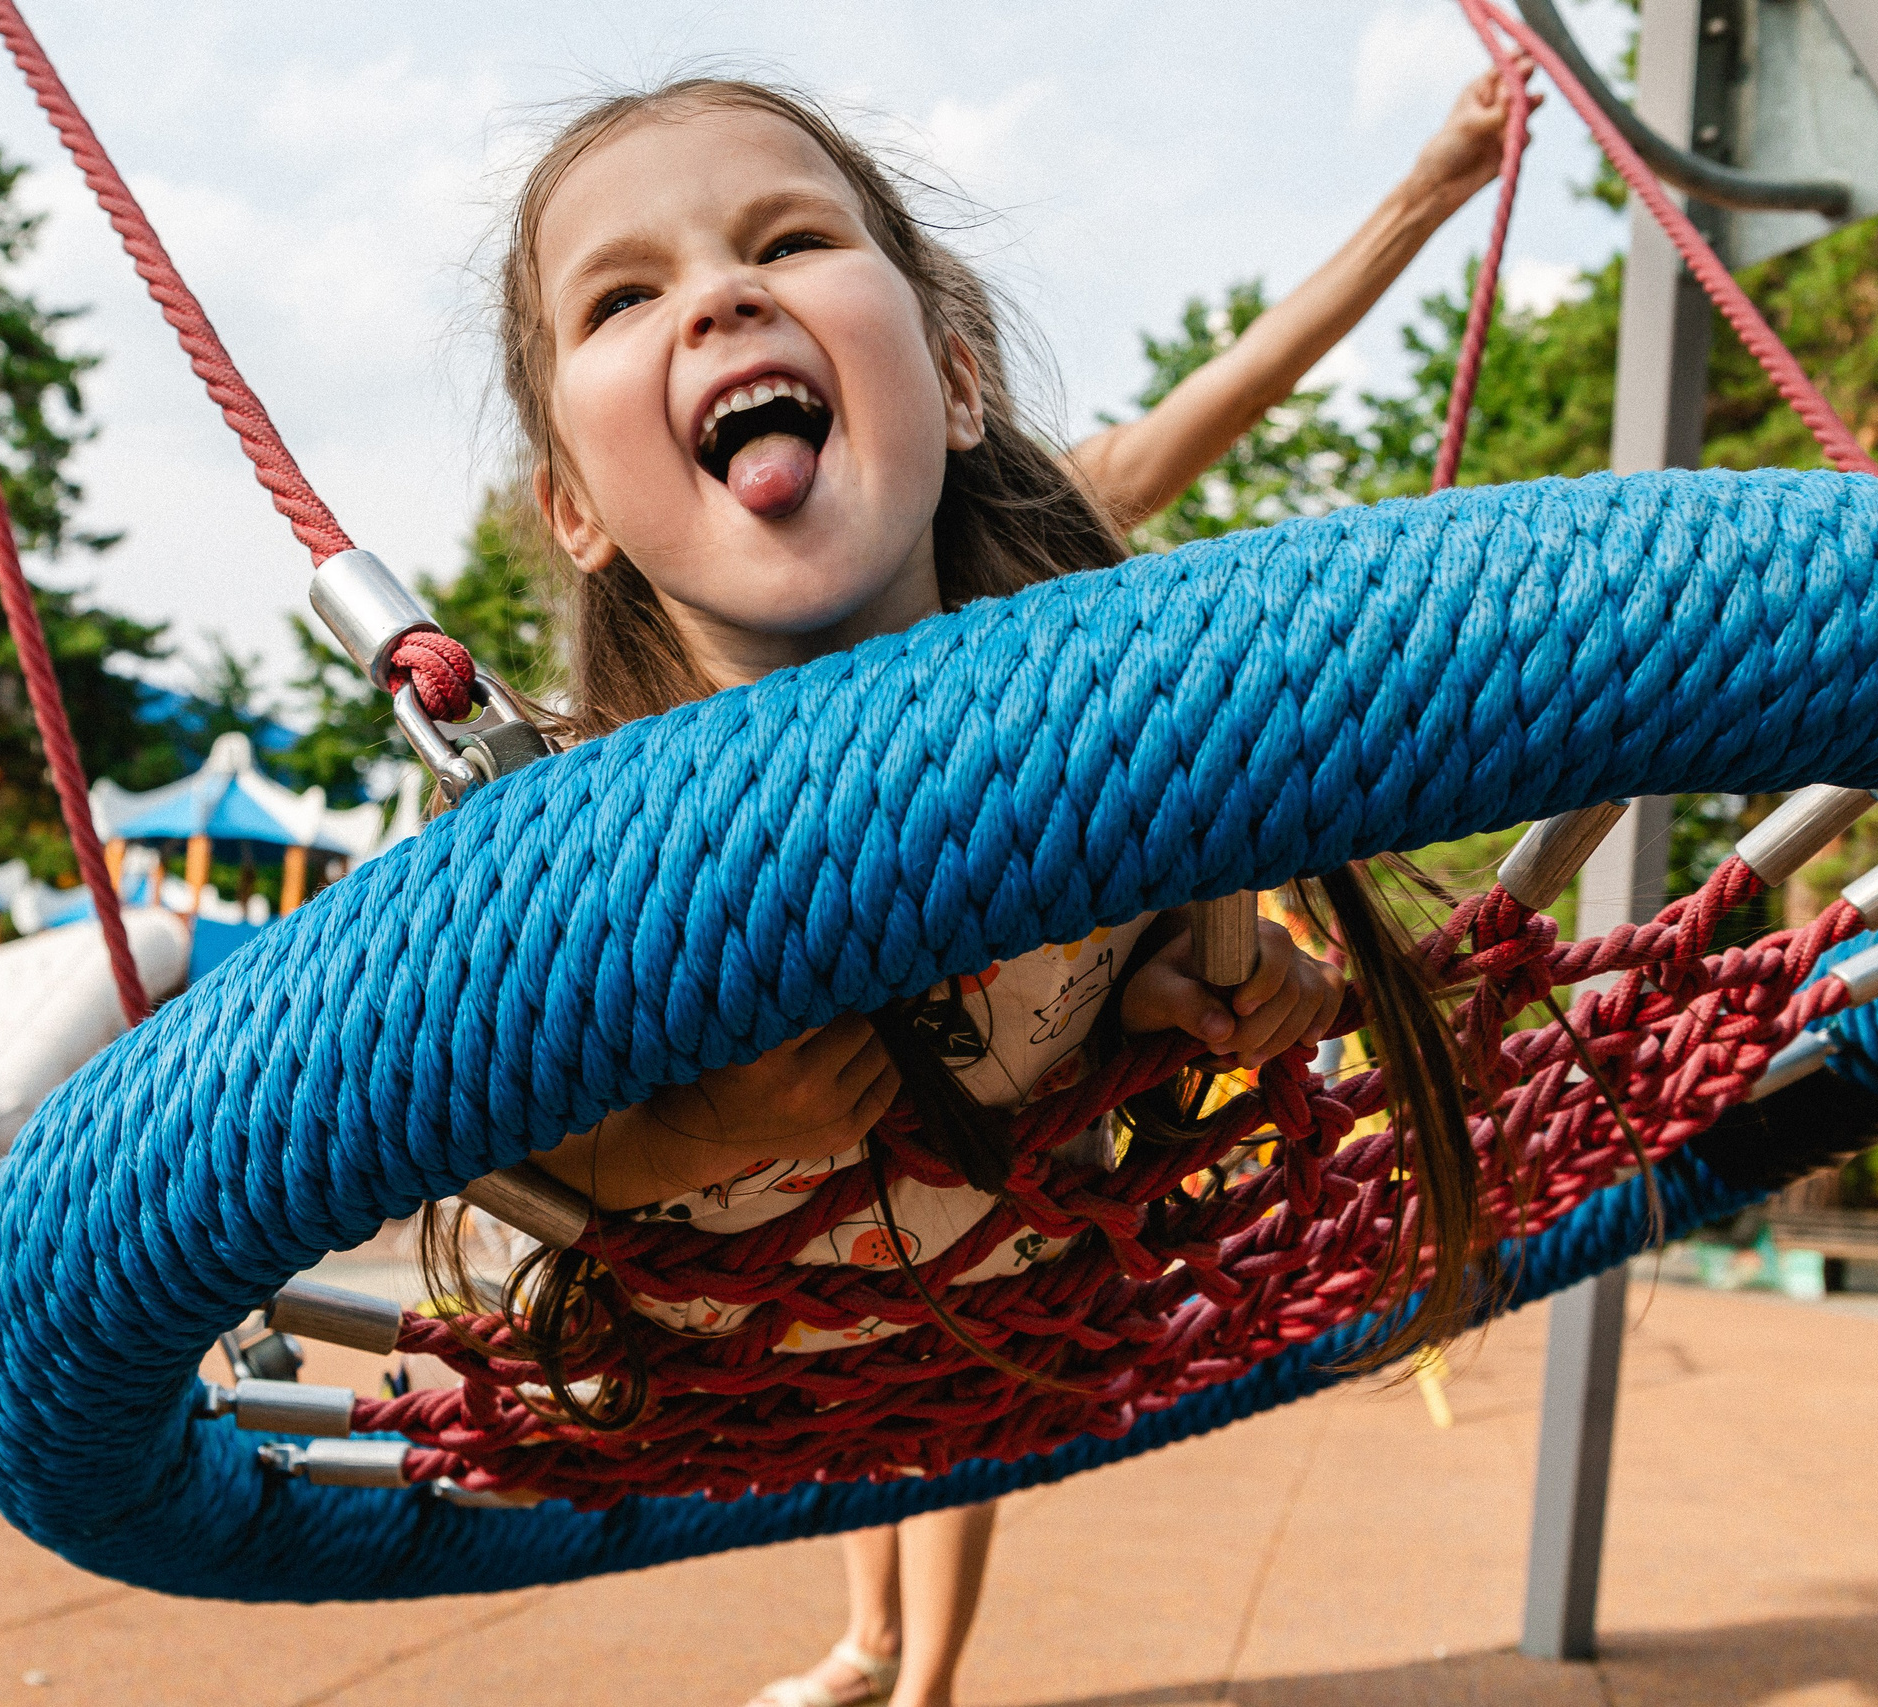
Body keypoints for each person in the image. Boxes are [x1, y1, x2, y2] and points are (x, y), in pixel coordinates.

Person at [435, 59, 1536, 1707]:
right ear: (575, 509)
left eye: (790, 241)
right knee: (899, 1413)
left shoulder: (1086, 736)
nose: (725, 295)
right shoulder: (574, 828)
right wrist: (718, 1125)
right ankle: (876, 1641)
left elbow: (1193, 419)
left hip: (1022, 1291)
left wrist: (1192, 994)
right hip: (749, 1345)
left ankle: (919, 1673)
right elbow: (472, 1134)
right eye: (626, 295)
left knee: (956, 1407)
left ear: (956, 381)